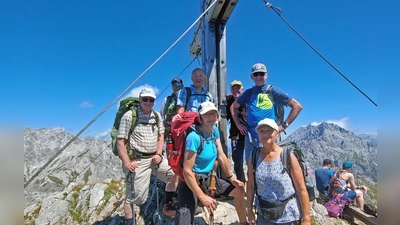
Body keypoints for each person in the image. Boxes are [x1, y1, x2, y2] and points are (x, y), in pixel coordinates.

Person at [175, 101, 248, 225]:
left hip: (209, 178)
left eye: (213, 114)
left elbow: (221, 155)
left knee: (239, 190)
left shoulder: (214, 131)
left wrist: (231, 178)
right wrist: (202, 197)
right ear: (200, 117)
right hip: (191, 180)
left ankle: (243, 223)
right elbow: (187, 171)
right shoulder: (194, 137)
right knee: (184, 219)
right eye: (206, 115)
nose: (210, 117)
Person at [116, 88, 175, 225]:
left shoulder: (156, 116)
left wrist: (159, 153)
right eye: (145, 99)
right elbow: (120, 141)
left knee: (174, 174)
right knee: (134, 197)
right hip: (137, 160)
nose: (148, 102)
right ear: (140, 100)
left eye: (151, 100)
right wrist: (126, 162)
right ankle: (129, 222)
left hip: (155, 158)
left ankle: (168, 205)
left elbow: (161, 136)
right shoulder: (130, 116)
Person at [230, 63, 303, 162]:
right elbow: (233, 107)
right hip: (250, 136)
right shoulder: (249, 93)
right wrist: (238, 124)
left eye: (261, 74)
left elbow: (297, 106)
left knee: (268, 165)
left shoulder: (273, 91)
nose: (259, 77)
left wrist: (283, 126)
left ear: (266, 75)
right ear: (252, 77)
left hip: (268, 136)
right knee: (251, 165)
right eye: (256, 74)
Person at [246, 118, 311, 225]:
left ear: (277, 134)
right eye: (262, 131)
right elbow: (250, 186)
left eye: (269, 131)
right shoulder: (254, 156)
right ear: (257, 134)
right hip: (264, 213)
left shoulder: (287, 155)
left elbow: (301, 189)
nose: (265, 134)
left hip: (288, 214)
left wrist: (307, 219)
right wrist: (249, 211)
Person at [159, 78, 184, 217]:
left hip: (182, 136)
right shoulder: (166, 100)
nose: (176, 86)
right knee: (173, 166)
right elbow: (163, 116)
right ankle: (170, 199)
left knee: (183, 165)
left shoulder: (185, 97)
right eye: (174, 84)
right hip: (170, 136)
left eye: (178, 84)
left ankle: (181, 195)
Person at [226, 80, 247, 183]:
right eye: (233, 88)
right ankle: (241, 182)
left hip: (248, 135)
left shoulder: (247, 100)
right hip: (235, 135)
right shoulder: (228, 100)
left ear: (242, 89)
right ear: (230, 90)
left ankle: (254, 185)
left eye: (238, 88)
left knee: (252, 160)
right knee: (237, 160)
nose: (236, 90)